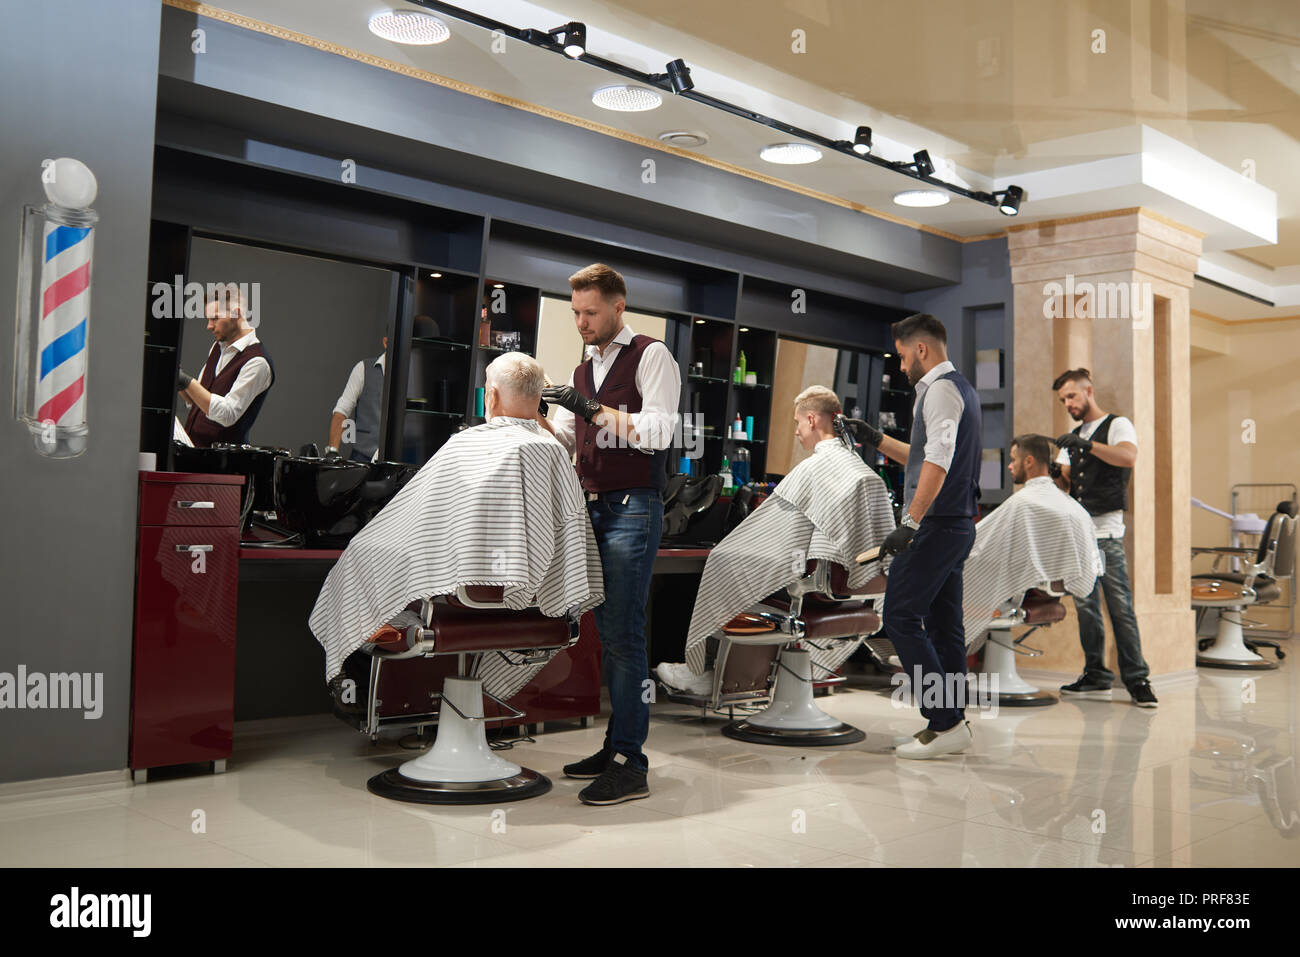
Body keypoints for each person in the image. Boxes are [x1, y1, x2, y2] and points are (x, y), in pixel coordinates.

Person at [309, 352, 603, 710]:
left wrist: (369, 547)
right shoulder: (553, 452)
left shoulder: (467, 444)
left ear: (490, 396)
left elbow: (422, 525)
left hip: (459, 603)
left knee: (361, 562)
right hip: (533, 607)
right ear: (539, 399)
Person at [538, 263, 681, 806]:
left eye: (590, 312)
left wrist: (592, 408)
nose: (581, 322)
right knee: (605, 633)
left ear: (619, 307)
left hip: (633, 507)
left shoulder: (651, 355)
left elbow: (658, 432)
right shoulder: (583, 368)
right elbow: (575, 438)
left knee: (625, 636)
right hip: (590, 506)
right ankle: (613, 745)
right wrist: (537, 416)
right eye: (575, 312)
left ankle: (631, 761)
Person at [658, 385, 893, 693]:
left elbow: (770, 528)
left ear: (811, 420)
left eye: (797, 423)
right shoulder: (864, 473)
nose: (796, 432)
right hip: (849, 594)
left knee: (723, 568)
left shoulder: (814, 468)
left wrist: (728, 549)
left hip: (812, 591)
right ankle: (736, 678)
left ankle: (704, 675)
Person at [844, 313, 982, 759]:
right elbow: (924, 458)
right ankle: (951, 725)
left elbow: (938, 462)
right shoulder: (959, 389)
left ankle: (944, 719)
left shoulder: (940, 391)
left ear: (920, 349)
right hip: (956, 522)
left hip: (938, 525)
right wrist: (876, 439)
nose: (901, 367)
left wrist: (912, 522)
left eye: (902, 357)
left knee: (901, 615)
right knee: (945, 626)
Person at [1050, 368, 1157, 708]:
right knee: (1086, 609)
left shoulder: (1118, 425)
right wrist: (1052, 470)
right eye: (1063, 400)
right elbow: (1066, 485)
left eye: (1072, 396)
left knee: (1120, 607)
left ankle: (1138, 679)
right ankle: (1096, 674)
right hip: (1079, 534)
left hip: (1107, 533)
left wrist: (1087, 445)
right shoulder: (1073, 435)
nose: (1068, 404)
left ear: (1088, 392)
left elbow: (1128, 457)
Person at [959, 434, 1101, 655]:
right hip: (1047, 594)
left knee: (942, 579)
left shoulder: (1024, 503)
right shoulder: (1073, 507)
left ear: (1029, 462)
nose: (1009, 466)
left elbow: (976, 544)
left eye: (1014, 459)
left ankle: (927, 659)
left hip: (1020, 594)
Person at [179, 287, 274, 447]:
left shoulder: (257, 362)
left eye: (215, 318)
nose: (209, 326)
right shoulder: (217, 347)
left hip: (222, 465)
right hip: (194, 454)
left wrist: (187, 381)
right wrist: (178, 381)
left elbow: (227, 415)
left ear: (236, 314)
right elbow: (197, 402)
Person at [327, 337, 387, 462]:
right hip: (363, 458)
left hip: (398, 461)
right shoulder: (363, 368)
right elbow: (342, 411)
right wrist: (332, 451)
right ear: (386, 342)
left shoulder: (414, 375)